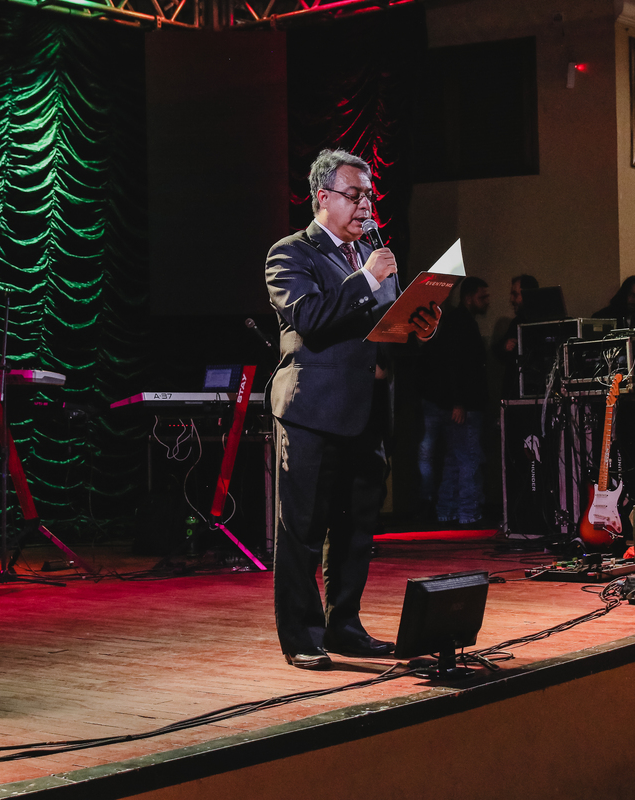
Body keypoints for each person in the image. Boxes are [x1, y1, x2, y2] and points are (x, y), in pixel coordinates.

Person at [265, 148, 439, 670]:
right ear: (323, 196)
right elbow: (310, 320)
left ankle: (344, 625)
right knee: (302, 529)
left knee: (356, 530)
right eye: (354, 194)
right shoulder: (291, 253)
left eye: (369, 195)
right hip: (311, 411)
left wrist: (418, 328)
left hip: (367, 412)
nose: (366, 205)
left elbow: (381, 334)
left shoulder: (372, 257)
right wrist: (365, 278)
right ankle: (301, 636)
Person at [418, 276, 490, 525]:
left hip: (454, 402)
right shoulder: (463, 324)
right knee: (468, 459)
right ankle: (467, 512)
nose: (487, 301)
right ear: (468, 298)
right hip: (465, 404)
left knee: (453, 459)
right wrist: (459, 402)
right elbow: (457, 364)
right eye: (482, 296)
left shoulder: (455, 321)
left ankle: (447, 511)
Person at [493, 274, 538, 401]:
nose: (511, 299)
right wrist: (504, 347)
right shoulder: (516, 323)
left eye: (515, 294)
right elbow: (499, 351)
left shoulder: (543, 322)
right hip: (517, 394)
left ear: (528, 294)